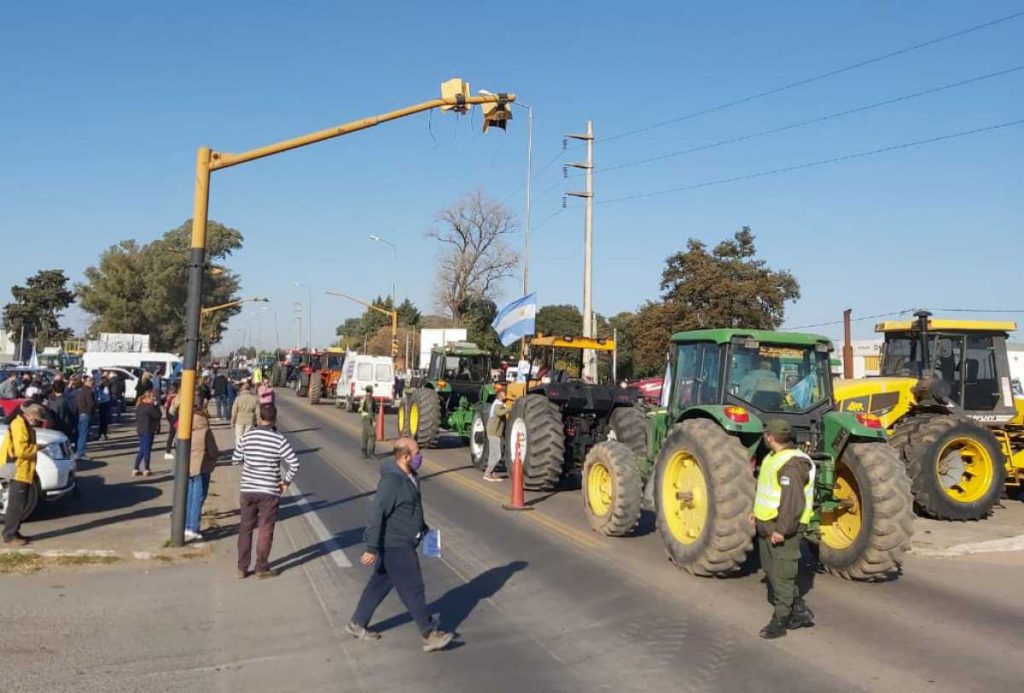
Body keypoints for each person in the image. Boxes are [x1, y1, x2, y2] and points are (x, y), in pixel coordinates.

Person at [348, 438, 453, 651]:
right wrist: (371, 547)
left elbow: (410, 509)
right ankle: (428, 633)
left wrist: (423, 529)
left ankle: (357, 622)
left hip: (403, 540)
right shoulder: (392, 482)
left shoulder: (410, 476)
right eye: (417, 452)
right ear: (405, 456)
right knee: (413, 588)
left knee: (379, 583)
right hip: (396, 544)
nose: (420, 455)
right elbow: (378, 513)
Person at [751, 419, 816, 639]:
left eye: (765, 435)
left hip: (782, 528)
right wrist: (756, 513)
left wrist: (783, 530)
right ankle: (798, 610)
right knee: (771, 571)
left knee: (783, 576)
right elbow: (768, 491)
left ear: (770, 437)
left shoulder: (793, 464)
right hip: (767, 524)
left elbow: (793, 502)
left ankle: (780, 621)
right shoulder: (772, 457)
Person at [232, 403, 299, 578]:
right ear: (275, 419)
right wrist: (285, 482)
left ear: (259, 417)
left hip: (248, 489)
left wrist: (250, 462)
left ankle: (242, 567)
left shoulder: (248, 436)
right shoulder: (279, 439)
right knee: (265, 529)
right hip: (269, 490)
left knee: (245, 528)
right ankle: (261, 567)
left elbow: (236, 459)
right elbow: (294, 463)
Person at [1, 403, 46, 545]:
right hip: (18, 468)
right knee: (17, 504)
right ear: (30, 415)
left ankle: (14, 531)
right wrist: (37, 448)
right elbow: (21, 451)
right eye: (37, 418)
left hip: (22, 468)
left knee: (20, 503)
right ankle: (10, 535)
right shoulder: (19, 425)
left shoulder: (23, 424)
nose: (38, 421)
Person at [183, 396, 219, 541]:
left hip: (187, 466)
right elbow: (213, 450)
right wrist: (215, 457)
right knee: (198, 498)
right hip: (201, 466)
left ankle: (185, 525)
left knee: (189, 497)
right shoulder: (205, 429)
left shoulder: (185, 426)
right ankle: (193, 528)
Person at [133, 391, 161, 477]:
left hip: (140, 430)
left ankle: (136, 468)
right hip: (148, 430)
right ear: (148, 398)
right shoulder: (149, 407)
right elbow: (158, 415)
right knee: (147, 449)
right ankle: (147, 468)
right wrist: (156, 406)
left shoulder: (139, 406)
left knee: (142, 449)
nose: (154, 400)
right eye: (152, 398)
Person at [483, 387, 507, 481]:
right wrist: (509, 408)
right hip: (494, 432)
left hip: (494, 431)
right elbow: (499, 413)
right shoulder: (498, 404)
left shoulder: (498, 403)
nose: (506, 395)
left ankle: (492, 473)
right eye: (504, 393)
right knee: (497, 455)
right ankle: (487, 473)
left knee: (493, 454)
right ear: (500, 394)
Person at [231, 381, 259, 445]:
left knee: (239, 437)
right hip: (250, 421)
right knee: (248, 438)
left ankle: (239, 451)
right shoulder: (254, 399)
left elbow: (234, 412)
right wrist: (256, 422)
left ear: (242, 389)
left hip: (239, 420)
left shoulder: (238, 398)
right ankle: (247, 451)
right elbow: (257, 412)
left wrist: (232, 421)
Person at [74, 375, 95, 461]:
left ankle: (79, 451)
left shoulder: (79, 390)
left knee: (80, 434)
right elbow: (91, 404)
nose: (92, 382)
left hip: (80, 414)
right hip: (86, 414)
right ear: (85, 382)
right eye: (90, 381)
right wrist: (93, 407)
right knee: (83, 434)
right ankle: (81, 453)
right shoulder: (88, 391)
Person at [163, 384, 180, 460]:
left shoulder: (169, 397)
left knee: (172, 435)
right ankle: (168, 451)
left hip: (171, 418)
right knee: (173, 434)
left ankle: (169, 450)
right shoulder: (175, 397)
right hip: (174, 418)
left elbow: (166, 408)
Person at [359, 385, 376, 460]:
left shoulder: (363, 398)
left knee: (364, 435)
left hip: (363, 418)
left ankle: (363, 452)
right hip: (368, 418)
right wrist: (373, 420)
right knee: (372, 436)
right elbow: (370, 410)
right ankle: (371, 453)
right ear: (371, 391)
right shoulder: (369, 399)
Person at [96, 375, 112, 441]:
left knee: (103, 420)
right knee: (102, 420)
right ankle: (101, 434)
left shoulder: (105, 388)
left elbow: (104, 397)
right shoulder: (103, 388)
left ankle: (103, 434)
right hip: (104, 404)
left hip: (103, 404)